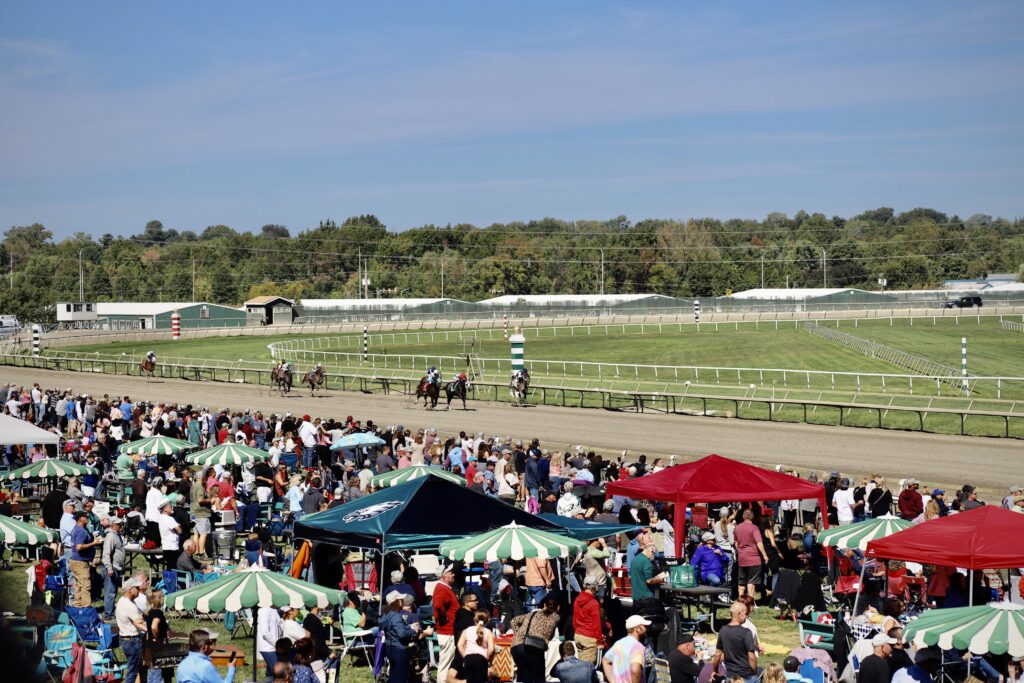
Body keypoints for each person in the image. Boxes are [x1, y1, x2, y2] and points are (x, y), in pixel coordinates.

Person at [380, 590, 434, 683]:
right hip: (399, 650)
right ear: (397, 602)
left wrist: (407, 628)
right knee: (400, 678)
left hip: (390, 648)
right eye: (401, 599)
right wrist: (413, 630)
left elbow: (392, 629)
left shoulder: (387, 615)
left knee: (393, 677)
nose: (403, 601)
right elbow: (402, 634)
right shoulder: (396, 616)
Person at [510, 595, 561, 683]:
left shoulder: (532, 613)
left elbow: (514, 621)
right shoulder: (555, 616)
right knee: (539, 678)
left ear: (544, 604)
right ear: (558, 607)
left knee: (525, 677)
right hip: (533, 647)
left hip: (516, 647)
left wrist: (518, 634)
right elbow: (551, 635)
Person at [710, 602, 759, 683]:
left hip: (730, 676)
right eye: (745, 613)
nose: (747, 616)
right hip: (746, 676)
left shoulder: (723, 631)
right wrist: (754, 672)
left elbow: (718, 654)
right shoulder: (746, 632)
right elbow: (752, 657)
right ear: (739, 614)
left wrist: (715, 670)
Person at [117, 578, 148, 683]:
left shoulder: (125, 601)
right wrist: (151, 630)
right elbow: (138, 623)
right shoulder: (129, 605)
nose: (139, 590)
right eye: (137, 588)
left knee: (134, 669)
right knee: (132, 672)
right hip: (132, 641)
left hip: (126, 639)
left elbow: (140, 617)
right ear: (130, 589)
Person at [602, 614, 649, 683]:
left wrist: (613, 681)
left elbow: (605, 661)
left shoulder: (618, 643)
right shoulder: (637, 647)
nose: (647, 629)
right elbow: (635, 671)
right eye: (645, 626)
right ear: (638, 629)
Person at [433, 565, 460, 683]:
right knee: (445, 664)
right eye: (450, 573)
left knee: (447, 662)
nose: (453, 574)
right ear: (444, 576)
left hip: (448, 631)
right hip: (447, 632)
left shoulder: (444, 588)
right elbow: (438, 605)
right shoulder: (442, 589)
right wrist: (446, 617)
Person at [733, 510, 769, 599]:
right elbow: (759, 542)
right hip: (753, 559)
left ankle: (741, 601)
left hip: (742, 558)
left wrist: (741, 551)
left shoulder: (737, 528)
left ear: (743, 517)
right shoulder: (754, 528)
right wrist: (764, 555)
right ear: (752, 517)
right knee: (751, 582)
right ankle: (750, 602)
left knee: (741, 582)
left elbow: (736, 542)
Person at [69, 511, 101, 607]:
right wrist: (93, 543)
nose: (87, 518)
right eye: (85, 517)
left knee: (78, 585)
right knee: (86, 585)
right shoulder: (81, 531)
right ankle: (86, 607)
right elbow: (79, 547)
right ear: (80, 518)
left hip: (75, 560)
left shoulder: (76, 529)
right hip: (80, 561)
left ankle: (78, 606)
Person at [457, 610, 495, 683]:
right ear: (488, 620)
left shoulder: (467, 630)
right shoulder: (488, 632)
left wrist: (465, 656)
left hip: (468, 658)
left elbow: (459, 644)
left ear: (475, 619)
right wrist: (487, 657)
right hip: (481, 659)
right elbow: (491, 649)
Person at [573, 577, 603, 664]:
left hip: (578, 635)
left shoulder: (577, 600)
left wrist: (578, 631)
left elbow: (574, 620)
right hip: (589, 638)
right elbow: (596, 625)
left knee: (579, 665)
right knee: (587, 668)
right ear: (594, 588)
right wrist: (600, 642)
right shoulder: (594, 603)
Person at [102, 516, 126, 619]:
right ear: (114, 525)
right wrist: (109, 568)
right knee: (110, 591)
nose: (121, 526)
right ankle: (108, 613)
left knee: (114, 590)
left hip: (116, 566)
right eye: (119, 524)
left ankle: (111, 610)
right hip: (111, 567)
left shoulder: (117, 535)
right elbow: (106, 553)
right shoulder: (111, 536)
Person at [145, 590, 171, 683]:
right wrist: (157, 638)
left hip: (150, 645)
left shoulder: (149, 612)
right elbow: (154, 626)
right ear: (159, 599)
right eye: (162, 597)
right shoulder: (158, 612)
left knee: (152, 672)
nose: (163, 598)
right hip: (157, 646)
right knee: (157, 672)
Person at [257, 605, 285, 671]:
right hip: (267, 647)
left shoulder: (274, 610)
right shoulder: (264, 610)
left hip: (274, 647)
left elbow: (280, 625)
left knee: (271, 673)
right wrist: (276, 644)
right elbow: (265, 632)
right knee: (278, 672)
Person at [158, 498, 182, 570]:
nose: (172, 507)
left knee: (169, 567)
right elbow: (179, 531)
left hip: (166, 546)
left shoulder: (161, 518)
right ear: (165, 508)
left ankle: (169, 580)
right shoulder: (169, 519)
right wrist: (178, 526)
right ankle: (172, 581)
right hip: (173, 547)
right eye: (170, 506)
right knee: (174, 568)